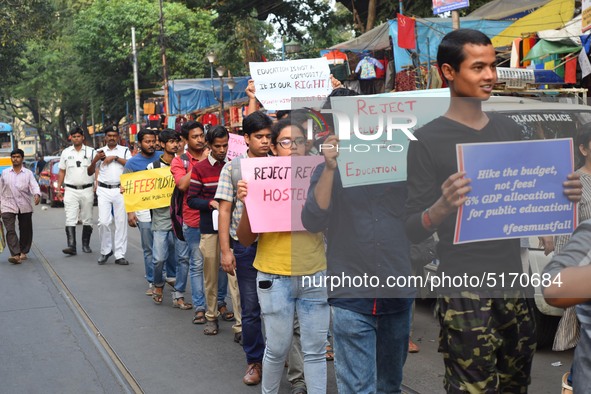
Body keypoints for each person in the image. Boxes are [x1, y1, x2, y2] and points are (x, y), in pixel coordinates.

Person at [404, 29, 582, 392]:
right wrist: (440, 207)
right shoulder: (427, 141)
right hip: (464, 288)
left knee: (517, 384)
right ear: (448, 72)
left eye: (493, 66)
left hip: (513, 284)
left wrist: (562, 196)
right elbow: (411, 227)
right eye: (478, 67)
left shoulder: (508, 128)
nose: (490, 76)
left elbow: (531, 193)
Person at [302, 91, 414, 393]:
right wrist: (329, 167)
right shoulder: (327, 169)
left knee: (390, 383)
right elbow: (313, 220)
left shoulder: (402, 163)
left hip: (396, 289)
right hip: (352, 293)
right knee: (357, 386)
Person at [237, 119, 329, 394]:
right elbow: (244, 239)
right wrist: (247, 203)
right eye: (285, 142)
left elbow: (332, 224)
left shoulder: (320, 177)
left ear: (307, 146)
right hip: (273, 277)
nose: (292, 148)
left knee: (314, 351)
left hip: (314, 273)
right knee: (276, 349)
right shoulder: (258, 180)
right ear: (274, 149)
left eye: (298, 141)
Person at [215, 111, 271, 385]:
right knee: (251, 308)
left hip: (276, 246)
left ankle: (278, 357)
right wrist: (226, 251)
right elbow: (224, 211)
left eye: (268, 137)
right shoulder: (233, 168)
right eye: (258, 136)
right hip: (246, 248)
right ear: (246, 138)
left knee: (279, 308)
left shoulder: (280, 165)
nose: (264, 141)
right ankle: (254, 362)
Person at [187, 125, 241, 336]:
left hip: (233, 229)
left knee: (235, 278)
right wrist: (211, 203)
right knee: (210, 276)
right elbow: (192, 199)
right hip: (209, 229)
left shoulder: (234, 166)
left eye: (225, 145)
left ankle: (240, 325)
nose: (222, 149)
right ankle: (211, 316)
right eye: (217, 146)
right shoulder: (200, 169)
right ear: (209, 146)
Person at [146, 129, 190, 307]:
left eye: (176, 141)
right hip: (161, 218)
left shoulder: (185, 164)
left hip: (180, 217)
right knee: (158, 258)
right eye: (170, 141)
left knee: (183, 258)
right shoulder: (153, 167)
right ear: (162, 144)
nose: (174, 144)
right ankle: (158, 284)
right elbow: (143, 192)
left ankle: (178, 294)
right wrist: (130, 193)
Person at [170, 120, 209, 323]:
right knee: (196, 264)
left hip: (215, 219)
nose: (200, 139)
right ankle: (200, 307)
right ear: (185, 140)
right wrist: (202, 164)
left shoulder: (214, 155)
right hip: (192, 220)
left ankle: (219, 303)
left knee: (218, 265)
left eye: (201, 135)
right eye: (195, 137)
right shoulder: (179, 162)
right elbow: (183, 185)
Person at [124, 128, 163, 295]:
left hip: (163, 209)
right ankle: (152, 281)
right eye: (147, 141)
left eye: (153, 141)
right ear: (139, 144)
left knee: (166, 246)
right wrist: (130, 212)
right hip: (143, 210)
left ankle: (167, 276)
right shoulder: (131, 163)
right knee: (149, 247)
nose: (151, 144)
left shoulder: (163, 157)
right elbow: (128, 189)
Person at [88, 125, 131, 265]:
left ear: (118, 137)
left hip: (121, 189)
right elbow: (89, 171)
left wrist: (115, 157)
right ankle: (106, 251)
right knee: (103, 222)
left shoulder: (124, 150)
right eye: (109, 135)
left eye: (114, 135)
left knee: (121, 222)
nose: (111, 138)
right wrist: (96, 160)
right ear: (105, 137)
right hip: (104, 190)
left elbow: (131, 165)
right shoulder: (98, 151)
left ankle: (120, 254)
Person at [57, 127, 96, 255]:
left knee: (87, 218)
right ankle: (72, 246)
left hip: (87, 189)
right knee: (70, 217)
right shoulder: (66, 153)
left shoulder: (91, 152)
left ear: (83, 137)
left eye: (78, 136)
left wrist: (97, 184)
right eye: (74, 136)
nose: (76, 138)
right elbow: (62, 171)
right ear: (71, 138)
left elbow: (97, 169)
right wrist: (58, 188)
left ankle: (86, 245)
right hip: (70, 190)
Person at [0, 149, 41, 264]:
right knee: (10, 230)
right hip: (7, 205)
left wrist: (36, 195)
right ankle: (15, 254)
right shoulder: (5, 173)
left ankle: (23, 251)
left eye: (18, 157)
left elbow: (34, 185)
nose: (15, 159)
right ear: (11, 158)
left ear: (22, 158)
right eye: (13, 157)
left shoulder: (28, 173)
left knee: (25, 230)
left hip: (24, 205)